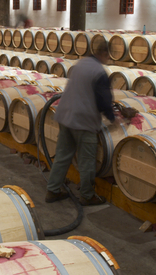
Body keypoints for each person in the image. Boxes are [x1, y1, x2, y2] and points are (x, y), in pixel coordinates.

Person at [45, 41, 117, 206]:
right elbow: (104, 100)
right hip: (83, 120)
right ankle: (87, 195)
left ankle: (52, 190)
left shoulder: (81, 63)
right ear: (105, 54)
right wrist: (113, 118)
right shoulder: (99, 71)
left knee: (62, 156)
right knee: (87, 160)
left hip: (65, 115)